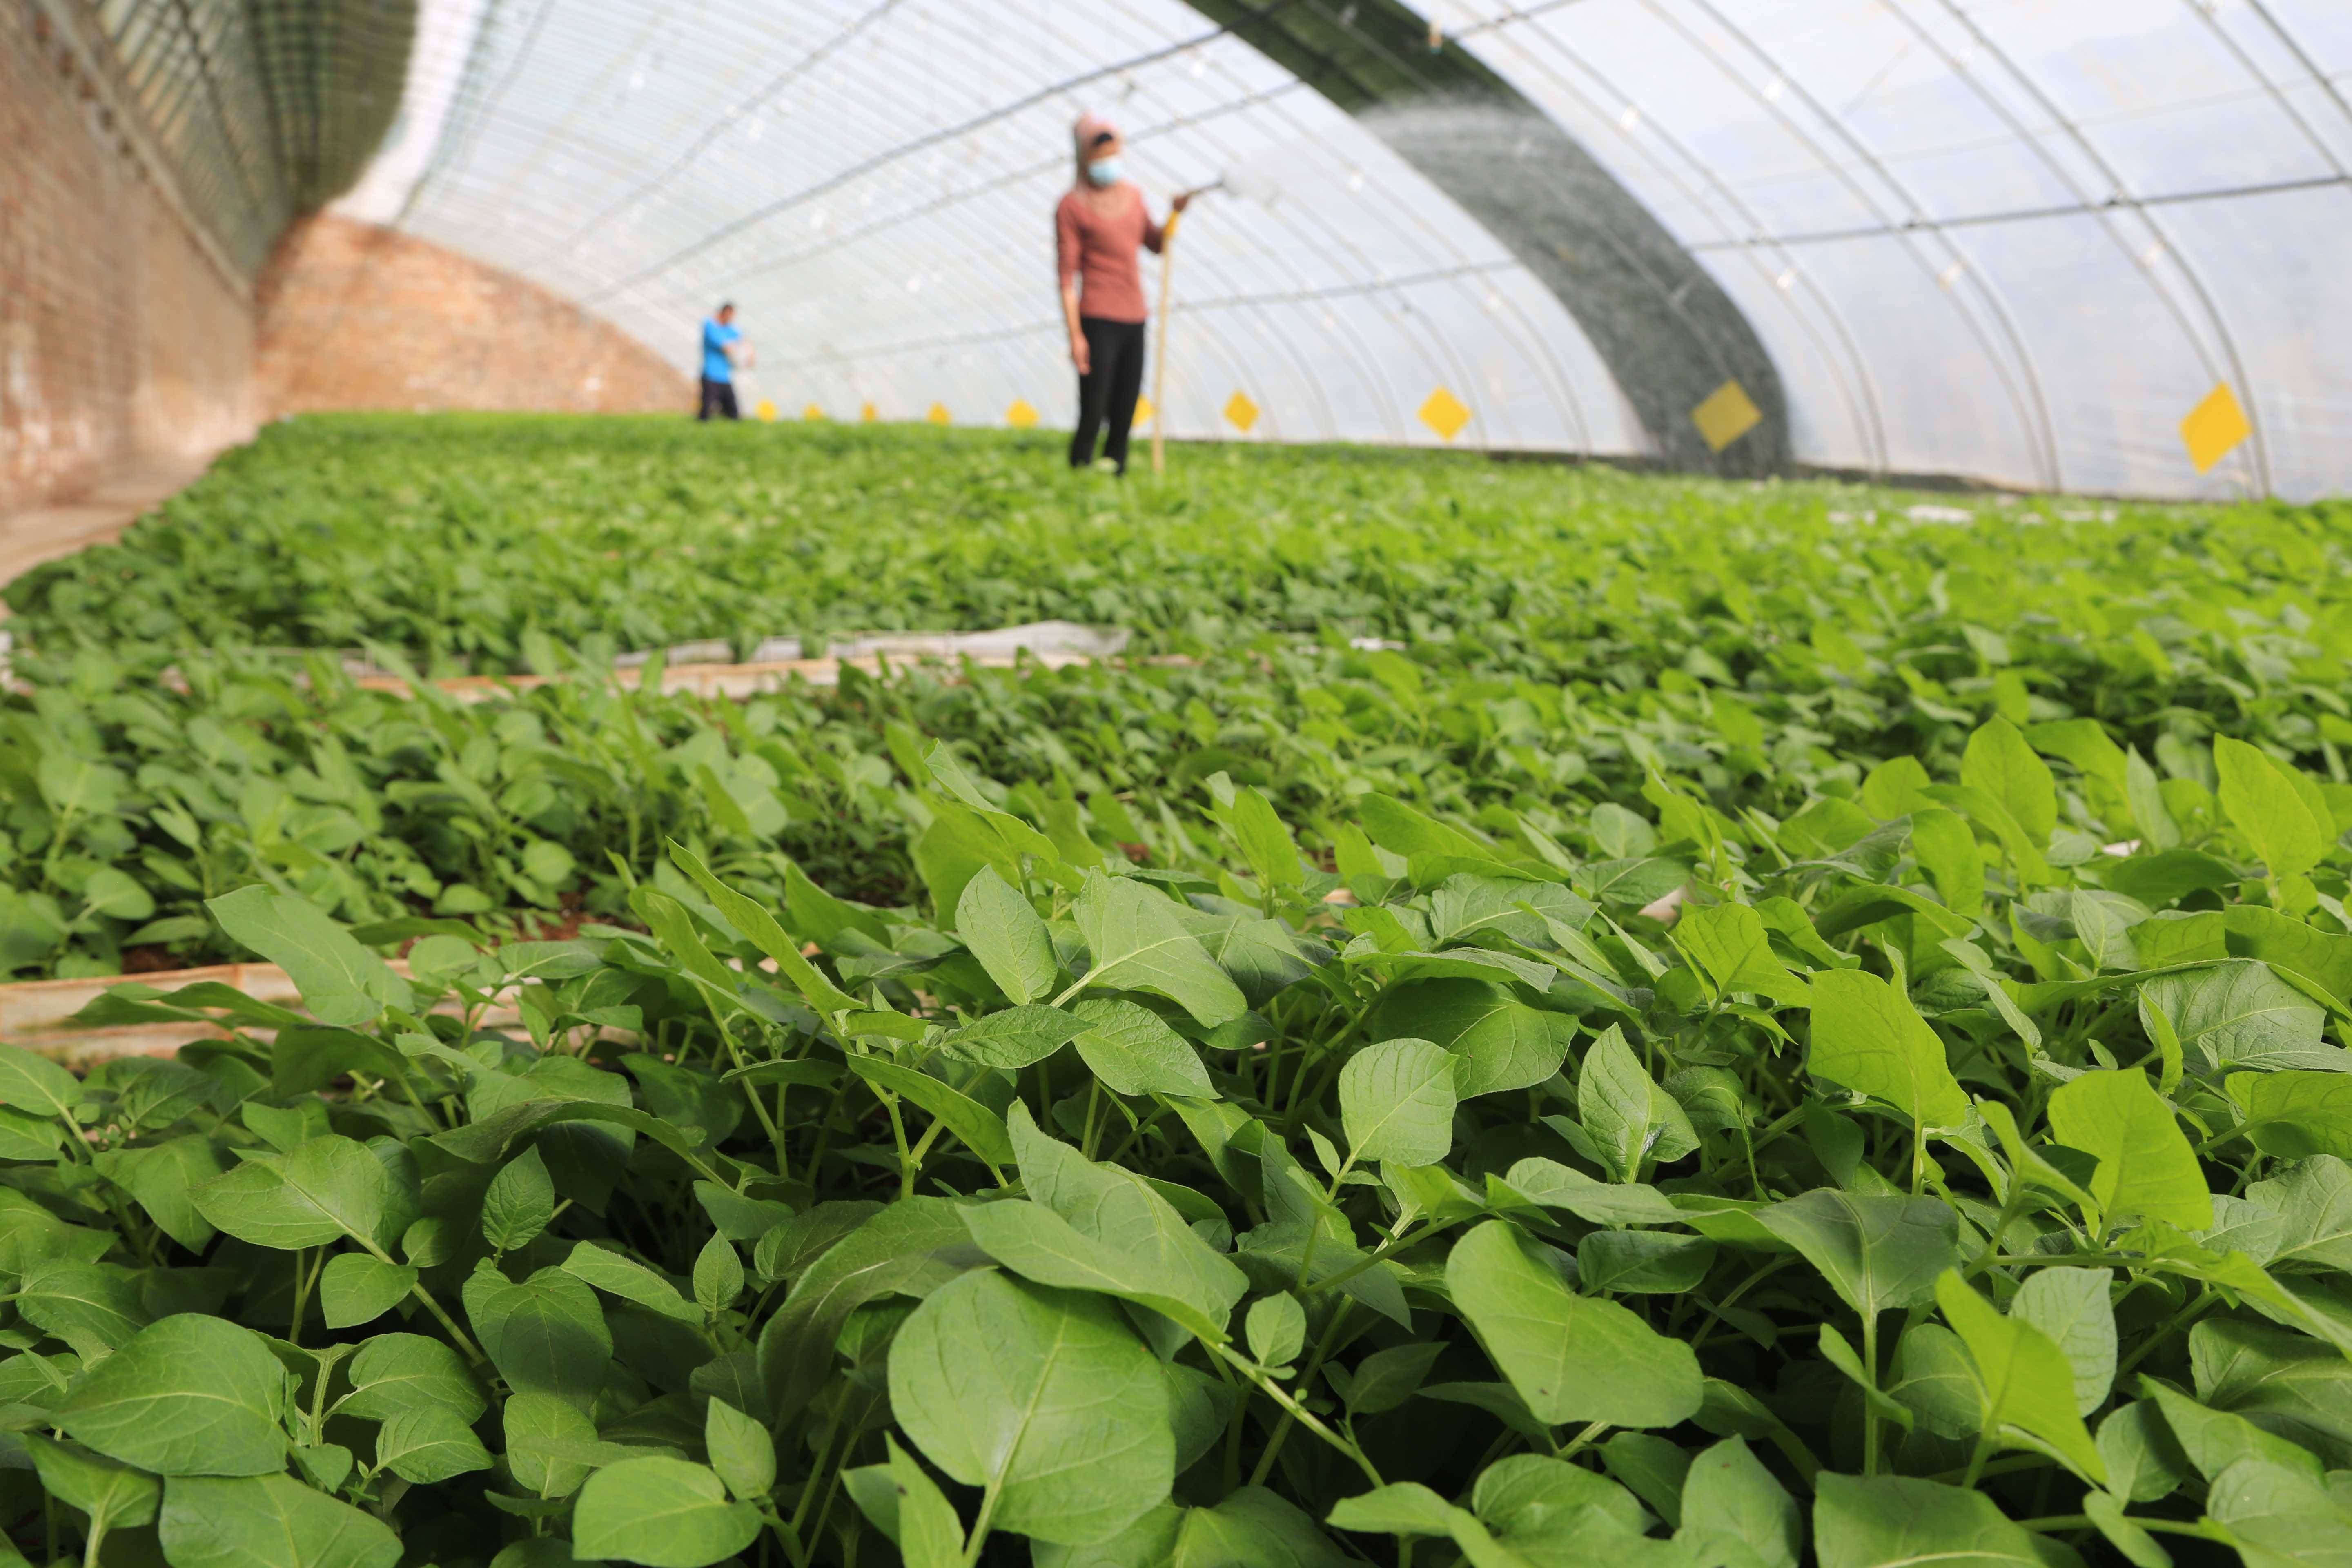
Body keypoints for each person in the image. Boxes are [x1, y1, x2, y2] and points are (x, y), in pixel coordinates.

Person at [1056, 114, 1189, 474]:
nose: (1108, 162)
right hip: (1097, 315)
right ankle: (1080, 469)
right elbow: (1067, 277)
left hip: (1135, 315)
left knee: (1126, 404)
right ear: (1085, 157)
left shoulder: (1133, 197)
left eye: (1113, 152)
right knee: (1095, 405)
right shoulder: (1072, 206)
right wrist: (1076, 336)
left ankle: (1117, 468)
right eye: (1100, 156)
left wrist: (1174, 215)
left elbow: (1157, 244)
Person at [698, 304, 746, 421]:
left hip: (725, 378)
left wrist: (746, 351)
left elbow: (745, 341)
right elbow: (726, 347)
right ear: (722, 313)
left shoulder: (729, 329)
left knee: (734, 414)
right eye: (729, 315)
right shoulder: (710, 325)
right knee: (706, 412)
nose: (730, 319)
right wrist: (739, 350)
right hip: (710, 376)